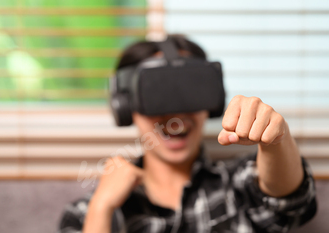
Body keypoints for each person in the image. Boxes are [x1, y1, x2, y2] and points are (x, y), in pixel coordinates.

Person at [58, 35, 317, 233]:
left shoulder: (238, 184)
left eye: (189, 91)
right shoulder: (85, 212)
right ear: (126, 109)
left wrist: (276, 141)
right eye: (157, 93)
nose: (175, 112)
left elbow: (292, 200)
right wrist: (102, 209)